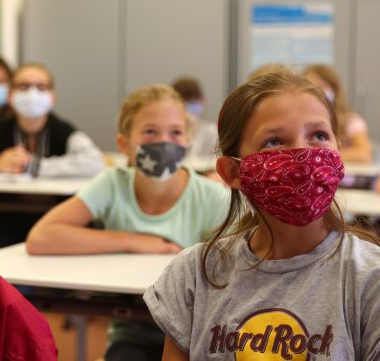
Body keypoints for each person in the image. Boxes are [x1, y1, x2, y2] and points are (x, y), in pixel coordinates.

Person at [144, 67, 380, 360]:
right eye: (275, 141)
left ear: (338, 153)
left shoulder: (370, 279)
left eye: (318, 135)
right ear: (232, 172)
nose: (302, 156)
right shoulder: (194, 274)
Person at [26, 84, 229, 360]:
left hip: (196, 333)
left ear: (187, 142)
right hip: (132, 333)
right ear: (124, 145)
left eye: (175, 132)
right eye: (149, 132)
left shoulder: (212, 197)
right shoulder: (114, 183)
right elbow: (41, 238)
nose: (164, 142)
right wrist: (136, 241)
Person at [303, 64, 373, 163]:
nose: (316, 93)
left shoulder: (351, 122)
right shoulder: (298, 122)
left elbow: (364, 154)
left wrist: (320, 155)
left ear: (335, 90)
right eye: (310, 88)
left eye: (322, 86)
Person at [171, 75, 218, 161]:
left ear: (202, 101)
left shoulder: (213, 132)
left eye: (193, 101)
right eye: (184, 102)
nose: (188, 108)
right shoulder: (168, 133)